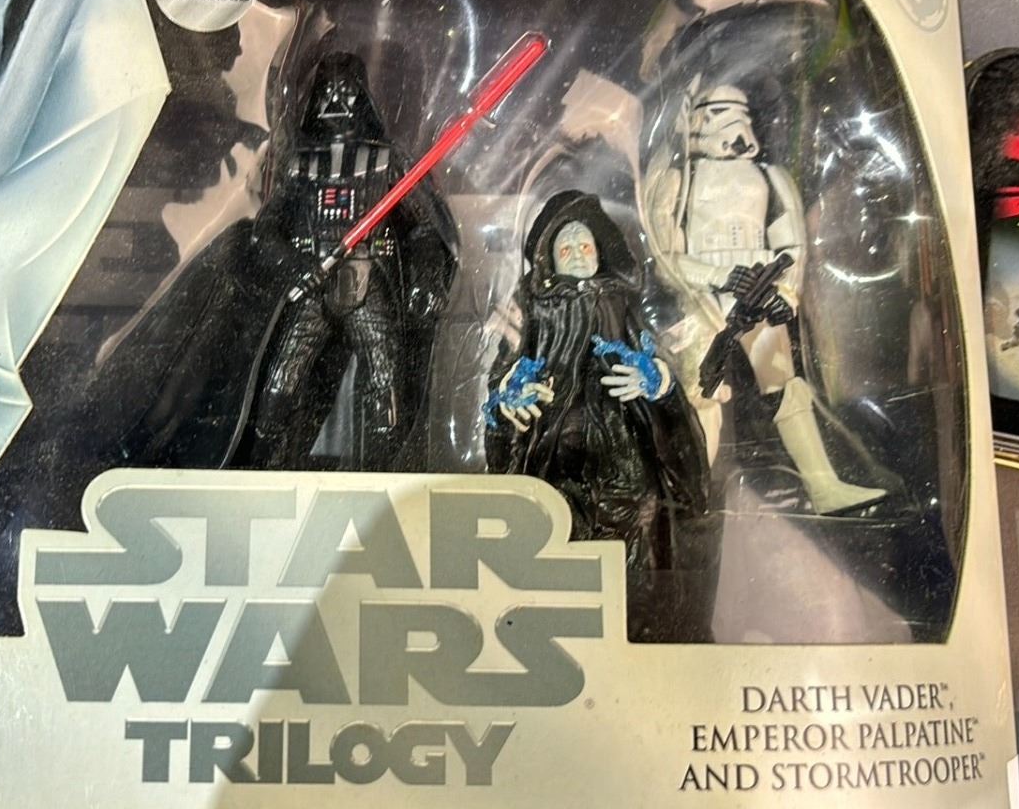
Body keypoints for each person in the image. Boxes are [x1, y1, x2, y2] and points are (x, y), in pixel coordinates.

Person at [644, 85, 884, 512]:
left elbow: (792, 244)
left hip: (760, 296)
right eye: (718, 112)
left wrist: (784, 292)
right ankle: (691, 494)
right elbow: (666, 258)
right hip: (703, 304)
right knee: (701, 397)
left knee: (788, 390)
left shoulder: (771, 177)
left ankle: (823, 486)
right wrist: (718, 276)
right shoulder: (679, 181)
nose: (731, 122)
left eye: (738, 111)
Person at [247, 52, 456, 469]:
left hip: (368, 279)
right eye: (328, 91)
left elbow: (424, 227)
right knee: (280, 383)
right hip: (313, 282)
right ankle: (263, 467)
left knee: (385, 384)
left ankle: (382, 472)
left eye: (346, 92)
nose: (336, 101)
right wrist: (295, 266)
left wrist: (426, 276)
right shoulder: (300, 165)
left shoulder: (387, 161)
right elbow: (264, 233)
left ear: (363, 97)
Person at [487, 191, 709, 573]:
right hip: (553, 457)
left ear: (599, 250)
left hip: (621, 454)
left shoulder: (620, 303)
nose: (576, 254)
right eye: (566, 247)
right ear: (550, 258)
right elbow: (503, 374)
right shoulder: (533, 308)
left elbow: (662, 361)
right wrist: (510, 394)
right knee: (552, 545)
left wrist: (654, 378)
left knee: (633, 553)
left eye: (584, 245)